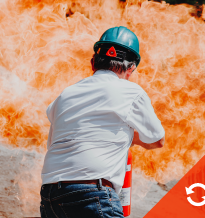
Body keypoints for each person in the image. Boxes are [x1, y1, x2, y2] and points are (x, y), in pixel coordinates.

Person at [40, 26, 165, 218]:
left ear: (93, 63)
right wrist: (130, 136)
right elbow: (157, 139)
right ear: (131, 68)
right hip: (94, 195)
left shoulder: (66, 94)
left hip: (51, 196)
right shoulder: (131, 92)